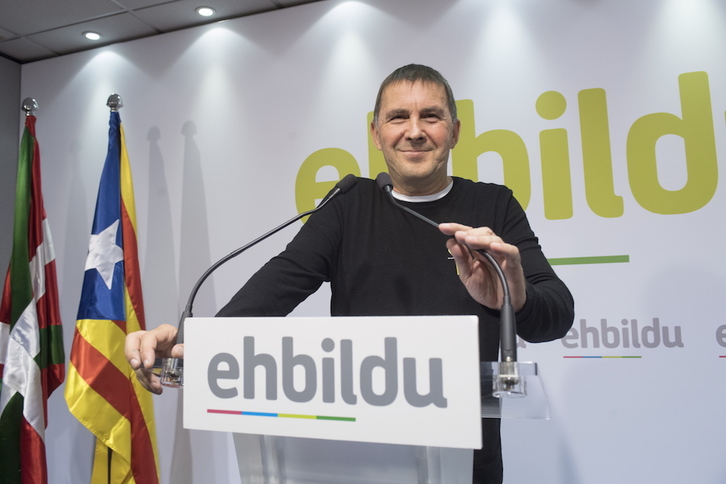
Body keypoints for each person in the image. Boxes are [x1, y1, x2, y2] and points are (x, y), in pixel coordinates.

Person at [126, 64, 575, 483]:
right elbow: (274, 288)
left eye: (431, 117)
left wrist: (511, 299)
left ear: (455, 132)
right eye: (398, 117)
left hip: (464, 464)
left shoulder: (493, 205)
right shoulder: (349, 205)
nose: (414, 131)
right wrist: (193, 344)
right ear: (376, 133)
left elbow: (556, 313)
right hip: (361, 460)